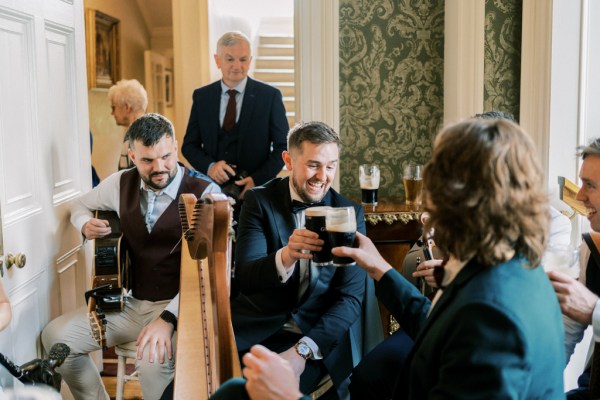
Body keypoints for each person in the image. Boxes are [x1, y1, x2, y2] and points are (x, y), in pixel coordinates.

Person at [212, 118, 566, 399]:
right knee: (230, 392)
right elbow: (434, 322)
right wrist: (379, 267)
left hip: (318, 346)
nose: (428, 205)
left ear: (461, 201)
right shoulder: (515, 269)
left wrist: (287, 397)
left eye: (435, 185)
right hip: (266, 329)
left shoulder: (490, 316)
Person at [41, 113, 220, 400]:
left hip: (179, 309)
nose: (159, 167)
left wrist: (167, 319)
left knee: (151, 362)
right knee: (55, 338)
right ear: (132, 155)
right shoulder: (119, 184)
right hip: (130, 304)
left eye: (166, 156)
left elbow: (211, 271)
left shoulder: (206, 193)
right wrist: (84, 225)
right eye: (148, 160)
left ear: (175, 147)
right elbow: (79, 206)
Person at [231, 120, 378, 397]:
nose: (323, 176)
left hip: (317, 339)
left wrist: (301, 353)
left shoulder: (350, 212)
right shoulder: (258, 201)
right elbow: (247, 278)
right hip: (258, 332)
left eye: (331, 165)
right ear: (288, 160)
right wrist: (285, 256)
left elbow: (349, 300)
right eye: (313, 164)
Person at [181, 31, 288, 201]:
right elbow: (189, 146)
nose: (237, 66)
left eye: (243, 59)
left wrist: (256, 180)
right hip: (211, 192)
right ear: (217, 60)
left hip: (257, 194)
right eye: (230, 59)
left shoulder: (270, 96)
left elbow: (284, 146)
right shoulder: (202, 97)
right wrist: (210, 167)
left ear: (250, 61)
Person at [549, 137, 600, 399]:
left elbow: (590, 310)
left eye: (589, 185)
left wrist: (594, 310)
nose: (579, 196)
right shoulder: (592, 249)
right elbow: (564, 336)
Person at [107, 79, 148, 170]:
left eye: (113, 107)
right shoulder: (148, 129)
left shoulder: (135, 135)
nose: (112, 113)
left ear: (127, 107)